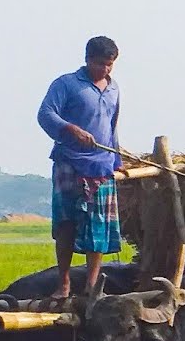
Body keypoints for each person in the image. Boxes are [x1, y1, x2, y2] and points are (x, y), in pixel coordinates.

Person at [37, 36, 123, 298]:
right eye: (100, 64)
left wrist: (117, 161)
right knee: (67, 224)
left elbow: (112, 126)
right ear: (87, 60)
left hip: (101, 165)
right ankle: (63, 283)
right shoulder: (66, 84)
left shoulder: (113, 88)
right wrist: (70, 129)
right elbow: (45, 114)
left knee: (97, 227)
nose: (105, 70)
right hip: (70, 162)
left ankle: (92, 285)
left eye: (110, 65)